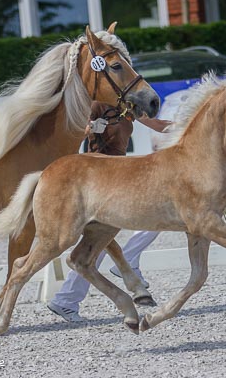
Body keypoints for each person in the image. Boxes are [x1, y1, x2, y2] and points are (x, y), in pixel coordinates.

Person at [47, 101, 170, 322]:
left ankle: (66, 300)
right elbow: (74, 135)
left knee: (105, 240)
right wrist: (91, 128)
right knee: (107, 238)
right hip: (97, 176)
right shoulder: (96, 105)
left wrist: (192, 125)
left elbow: (158, 125)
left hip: (119, 173)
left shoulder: (128, 105)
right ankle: (126, 264)